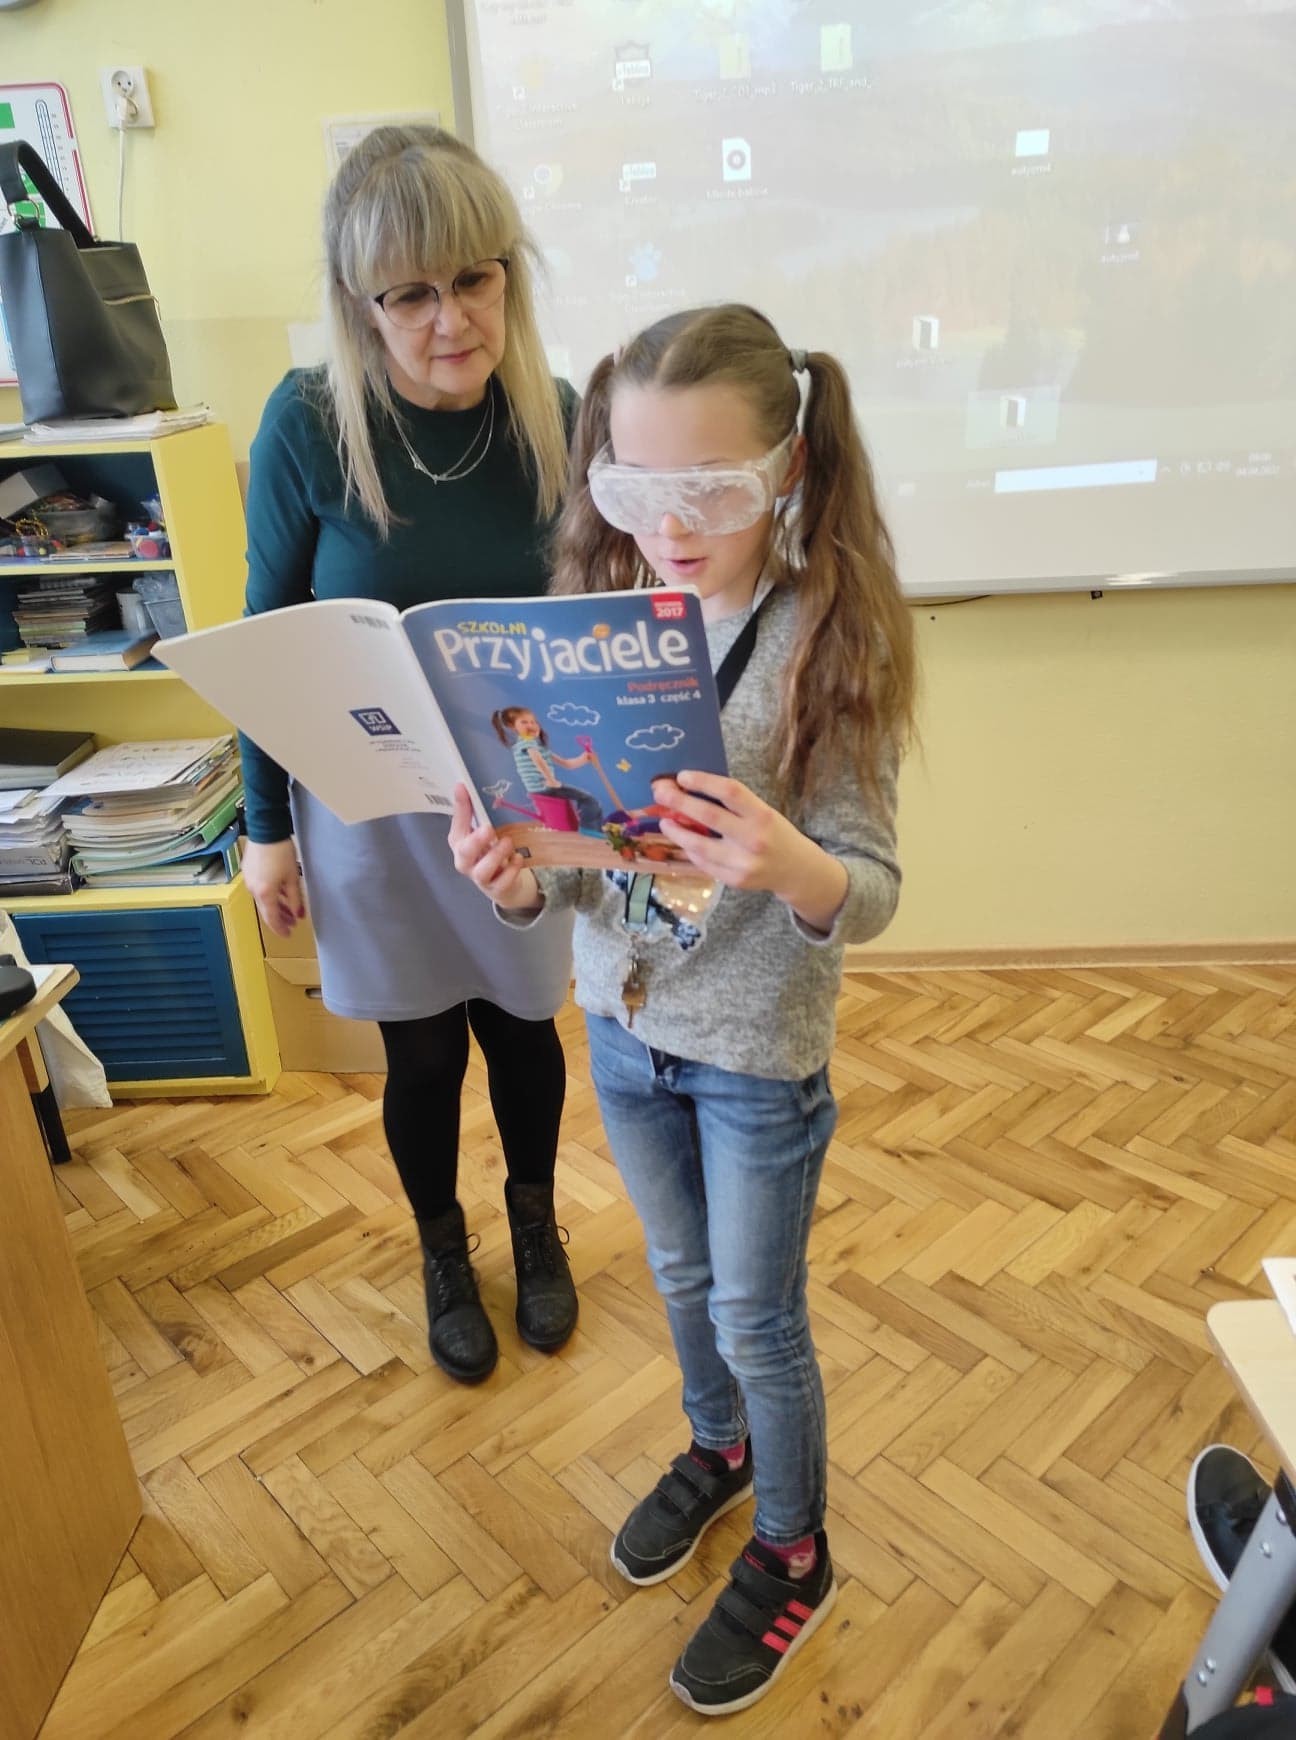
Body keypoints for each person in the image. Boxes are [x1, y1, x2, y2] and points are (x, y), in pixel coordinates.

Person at [451, 303, 917, 1713]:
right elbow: (578, 865)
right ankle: (720, 1450)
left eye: (710, 490)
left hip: (757, 1052)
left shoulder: (826, 636)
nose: (670, 526)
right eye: (634, 489)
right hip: (623, 1025)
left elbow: (871, 888)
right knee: (677, 1276)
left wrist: (791, 863)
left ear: (788, 466)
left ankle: (795, 1546)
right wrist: (516, 879)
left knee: (758, 1312)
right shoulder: (589, 633)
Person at [239, 125, 579, 1386]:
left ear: (509, 272)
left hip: (521, 803)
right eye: (410, 294)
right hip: (370, 809)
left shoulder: (560, 417)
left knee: (526, 1029)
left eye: (475, 279)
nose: (452, 321)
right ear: (359, 303)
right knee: (423, 1051)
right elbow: (267, 632)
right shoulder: (310, 421)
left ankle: (536, 1225)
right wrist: (264, 830)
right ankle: (445, 1250)